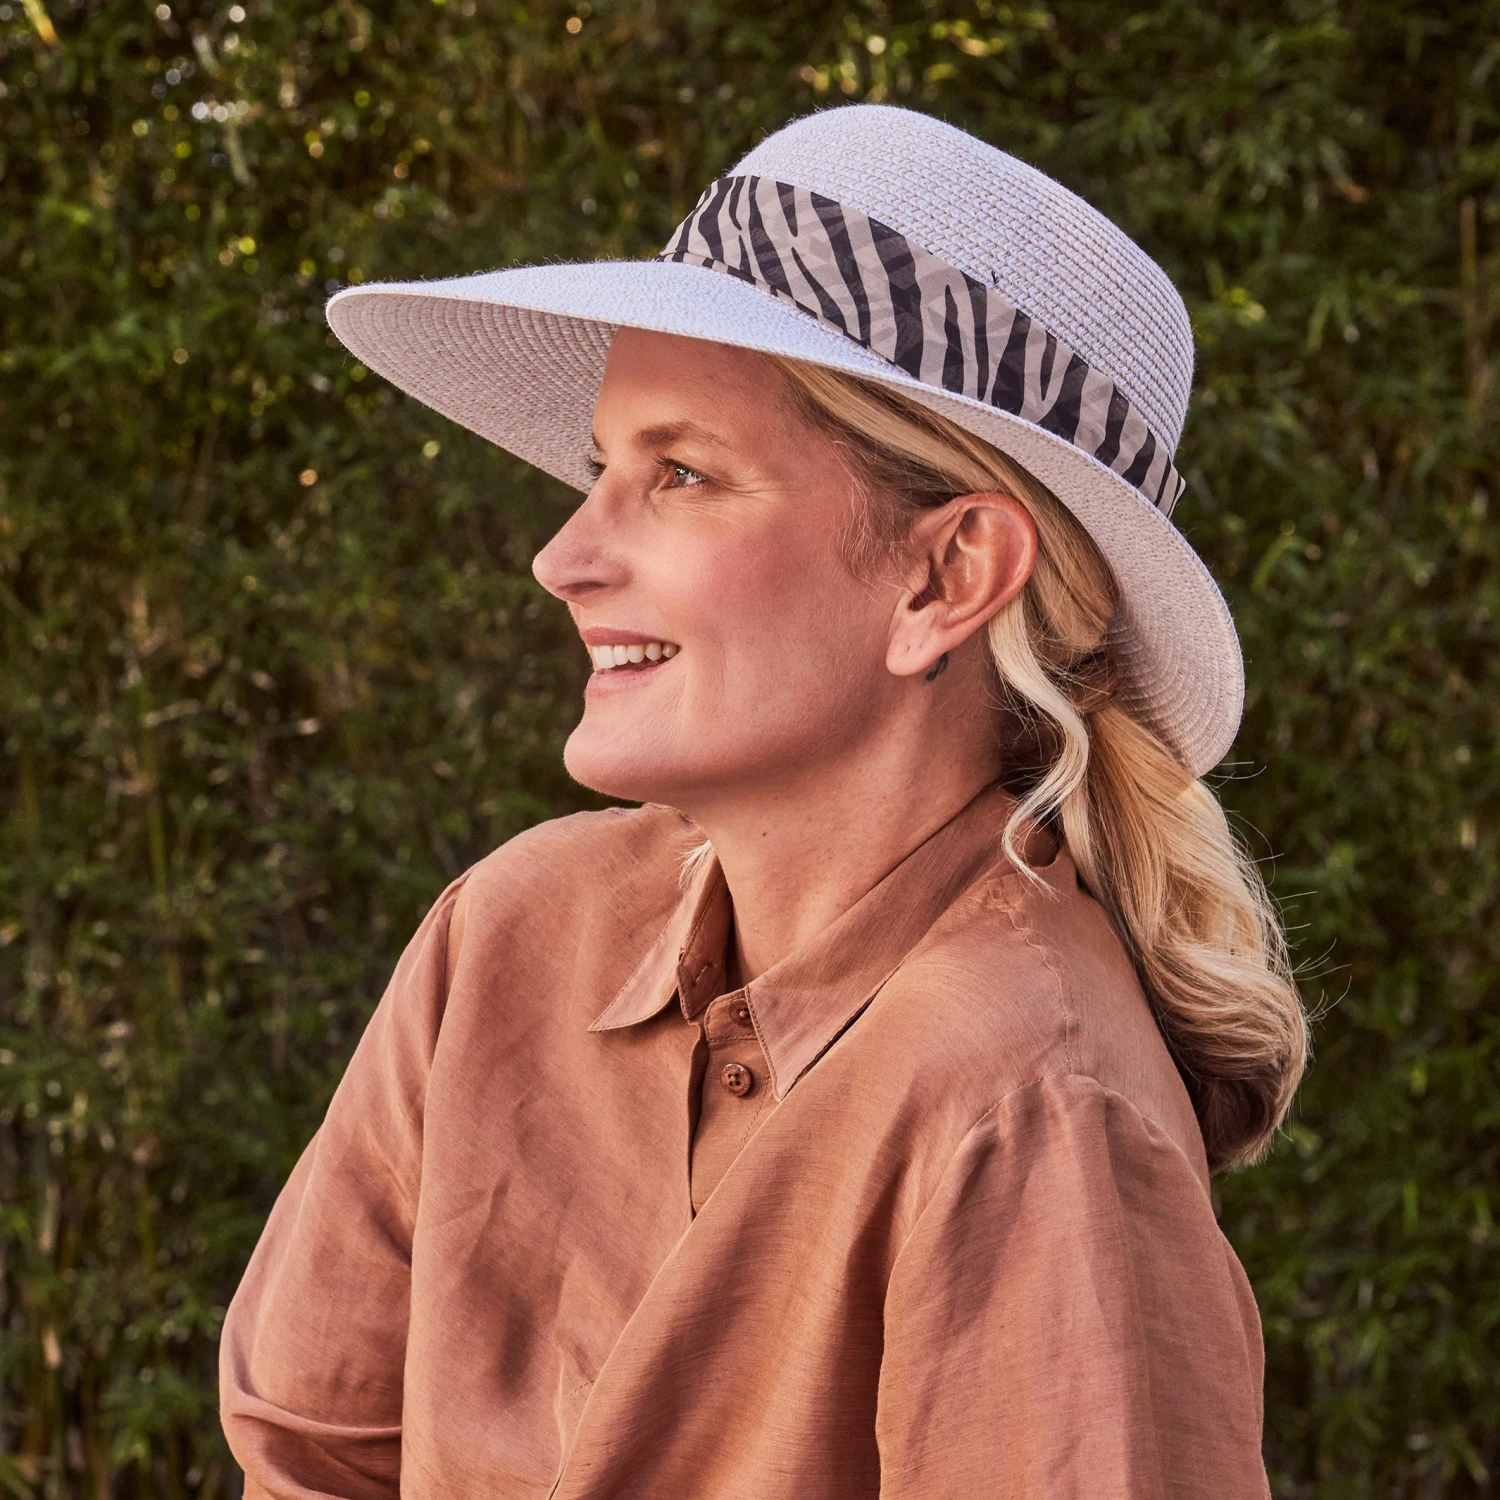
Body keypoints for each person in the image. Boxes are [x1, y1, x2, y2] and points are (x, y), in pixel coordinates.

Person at [219, 104, 1307, 1498]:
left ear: (947, 577)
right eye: (601, 467)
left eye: (679, 473)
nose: (563, 556)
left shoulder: (1030, 1105)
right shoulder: (508, 938)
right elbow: (311, 1457)